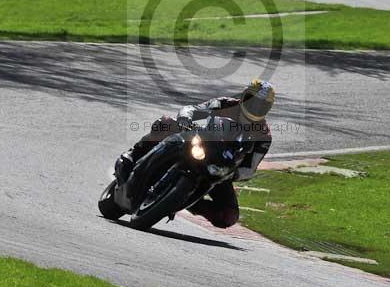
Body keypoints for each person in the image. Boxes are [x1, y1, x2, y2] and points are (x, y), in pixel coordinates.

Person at [115, 79, 276, 228]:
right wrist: (186, 119)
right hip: (197, 142)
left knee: (229, 216)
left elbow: (250, 168)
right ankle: (133, 155)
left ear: (267, 109)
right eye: (251, 100)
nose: (255, 107)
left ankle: (188, 201)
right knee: (165, 124)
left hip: (220, 167)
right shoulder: (225, 104)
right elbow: (193, 110)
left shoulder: (263, 135)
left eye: (261, 105)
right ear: (243, 97)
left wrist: (232, 174)